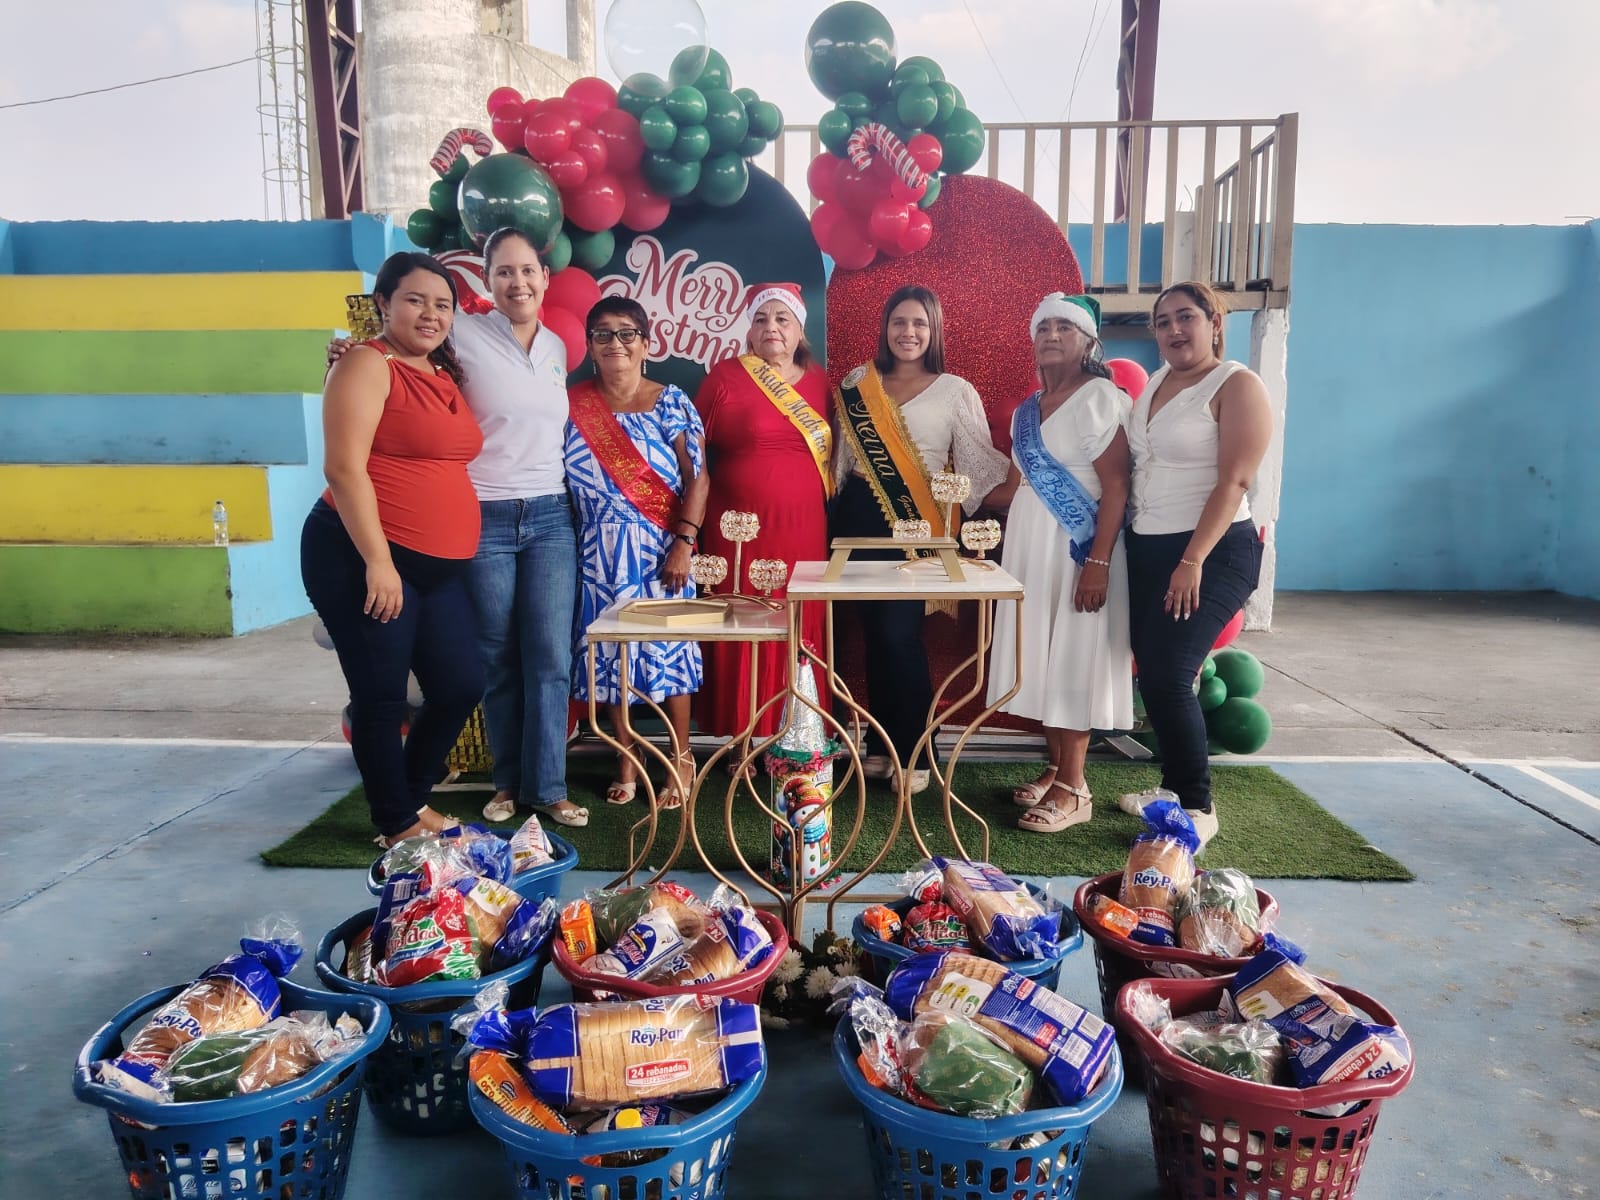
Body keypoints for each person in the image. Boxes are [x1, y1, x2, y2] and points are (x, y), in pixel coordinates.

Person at [329, 227, 587, 829]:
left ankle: (548, 787)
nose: (518, 282)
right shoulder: (460, 332)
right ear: (487, 280)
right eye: (504, 272)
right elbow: (391, 353)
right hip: (484, 515)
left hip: (551, 515)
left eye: (528, 271)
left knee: (550, 657)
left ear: (545, 278)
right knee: (496, 657)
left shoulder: (556, 346)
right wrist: (344, 354)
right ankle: (506, 784)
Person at [301, 251, 484, 847]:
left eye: (442, 305)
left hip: (436, 570)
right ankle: (397, 824)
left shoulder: (440, 372)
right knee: (381, 696)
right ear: (383, 303)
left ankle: (408, 798)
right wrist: (378, 562)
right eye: (415, 300)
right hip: (363, 555)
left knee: (460, 684)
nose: (431, 314)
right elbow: (343, 468)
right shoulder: (366, 363)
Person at [831, 285, 1009, 793]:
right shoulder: (857, 382)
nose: (908, 332)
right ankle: (881, 747)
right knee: (872, 637)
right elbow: (840, 460)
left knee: (899, 636)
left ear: (934, 331)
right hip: (857, 516)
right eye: (899, 322)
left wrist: (1023, 487)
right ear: (885, 327)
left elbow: (977, 464)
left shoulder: (955, 390)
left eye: (919, 324)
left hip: (916, 521)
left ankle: (917, 752)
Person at [1118, 281, 1273, 847]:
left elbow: (1234, 481)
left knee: (1170, 673)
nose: (1174, 330)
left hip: (1213, 550)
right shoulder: (1157, 383)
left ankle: (1197, 806)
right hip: (1150, 547)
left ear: (1214, 322)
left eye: (1186, 317)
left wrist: (1192, 559)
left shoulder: (1236, 384)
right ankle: (1171, 786)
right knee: (1154, 673)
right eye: (1163, 322)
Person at [983, 293, 1134, 832]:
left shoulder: (1099, 397)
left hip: (1079, 548)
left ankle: (1075, 787)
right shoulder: (1029, 409)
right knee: (1044, 654)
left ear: (1089, 342)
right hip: (1030, 547)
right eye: (1043, 327)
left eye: (1064, 328)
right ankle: (1055, 767)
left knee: (1074, 656)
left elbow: (1117, 486)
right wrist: (949, 499)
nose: (1051, 335)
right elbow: (1016, 487)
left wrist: (1098, 562)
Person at [567, 296, 710, 809]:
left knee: (669, 652)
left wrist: (683, 543)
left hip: (660, 550)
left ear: (646, 344)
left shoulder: (671, 401)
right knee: (611, 657)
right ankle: (626, 758)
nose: (616, 343)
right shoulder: (572, 404)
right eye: (603, 334)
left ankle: (681, 757)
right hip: (594, 553)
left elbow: (698, 478)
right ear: (589, 346)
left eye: (627, 333)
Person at [692, 283, 832, 748]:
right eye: (760, 319)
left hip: (803, 528)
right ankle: (741, 738)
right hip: (738, 530)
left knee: (798, 618)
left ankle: (798, 734)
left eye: (782, 318)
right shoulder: (724, 378)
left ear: (799, 330)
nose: (771, 327)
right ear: (749, 331)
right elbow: (690, 453)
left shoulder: (821, 383)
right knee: (745, 617)